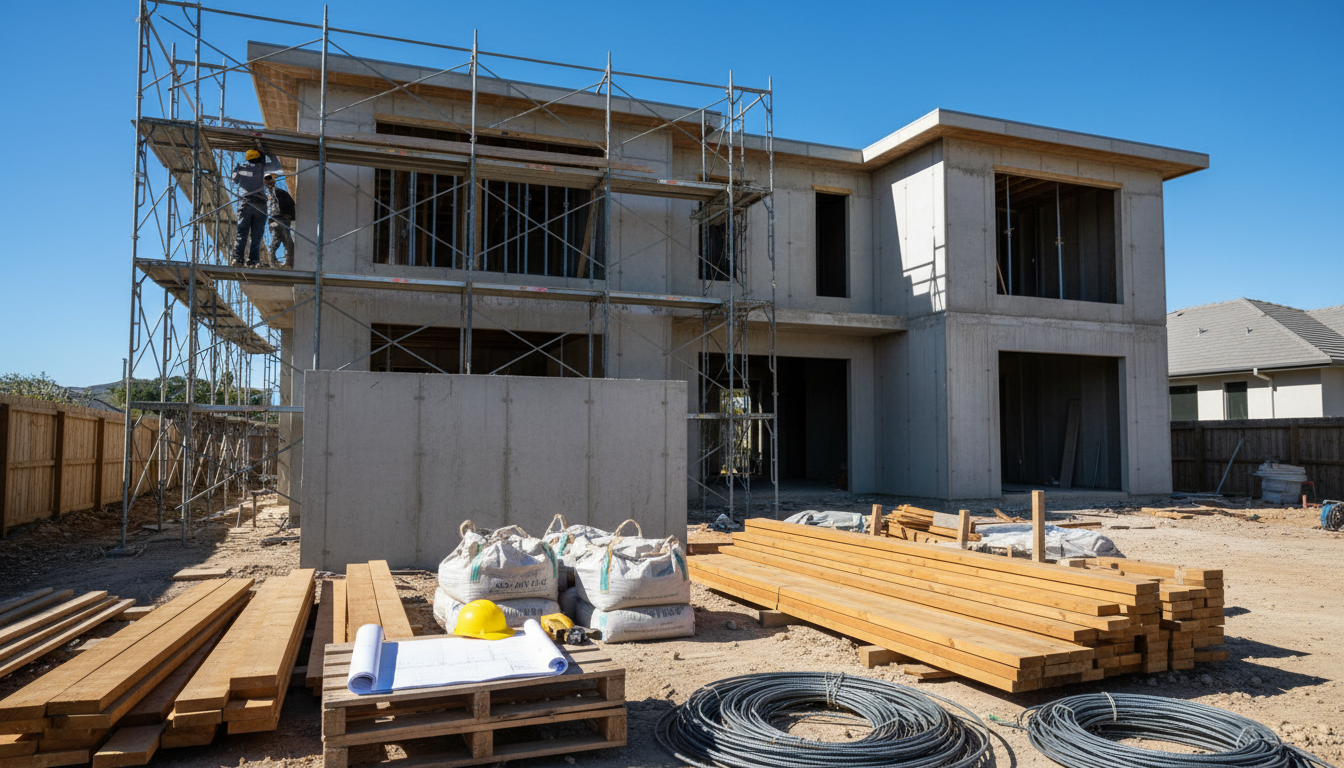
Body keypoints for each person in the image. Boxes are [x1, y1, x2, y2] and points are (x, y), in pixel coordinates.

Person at [229, 141, 280, 267]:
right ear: (258, 158)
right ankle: (253, 261)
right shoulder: (262, 168)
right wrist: (266, 152)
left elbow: (234, 178)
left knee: (242, 233)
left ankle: (238, 259)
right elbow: (276, 165)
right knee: (256, 236)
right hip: (261, 205)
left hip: (246, 203)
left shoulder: (240, 169)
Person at [263, 173, 296, 267]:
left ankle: (290, 263)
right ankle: (274, 264)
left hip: (282, 219)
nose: (269, 182)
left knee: (287, 242)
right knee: (276, 242)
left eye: (270, 180)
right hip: (273, 220)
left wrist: (291, 216)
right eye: (266, 181)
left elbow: (291, 205)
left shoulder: (281, 192)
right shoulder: (265, 194)